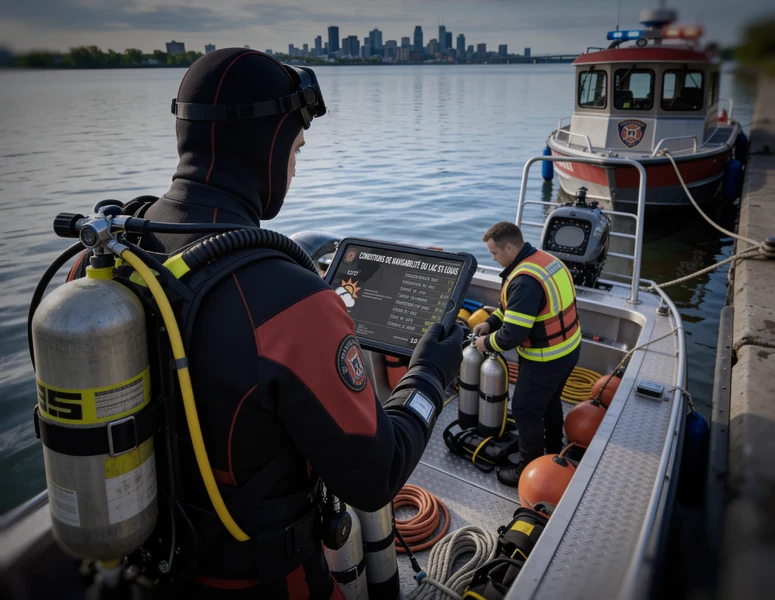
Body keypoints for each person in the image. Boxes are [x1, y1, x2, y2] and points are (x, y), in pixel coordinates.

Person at [99, 48, 463, 598]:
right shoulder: (289, 302)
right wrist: (429, 377)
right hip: (262, 580)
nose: (294, 166)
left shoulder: (110, 255)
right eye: (295, 148)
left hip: (152, 564)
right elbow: (373, 479)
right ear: (266, 149)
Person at [472, 221, 580, 486]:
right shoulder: (544, 261)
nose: (493, 258)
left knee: (525, 410)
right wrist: (491, 322)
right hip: (569, 351)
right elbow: (514, 310)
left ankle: (527, 470)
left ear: (509, 247)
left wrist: (486, 343)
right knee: (550, 402)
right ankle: (553, 451)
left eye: (495, 253)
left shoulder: (523, 281)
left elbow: (514, 335)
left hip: (545, 359)